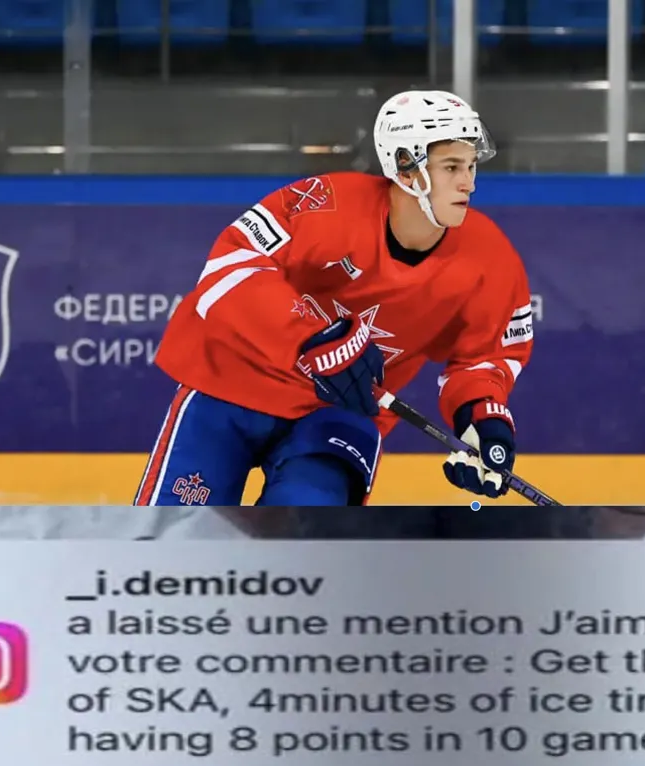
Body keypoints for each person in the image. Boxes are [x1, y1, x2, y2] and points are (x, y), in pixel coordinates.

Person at [134, 89, 535, 507]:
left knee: (305, 550)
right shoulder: (323, 203)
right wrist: (311, 336)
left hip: (340, 411)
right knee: (170, 547)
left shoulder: (492, 259)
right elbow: (229, 265)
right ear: (406, 167)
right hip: (233, 383)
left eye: (470, 166)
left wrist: (483, 418)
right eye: (451, 166)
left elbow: (485, 357)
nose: (469, 182)